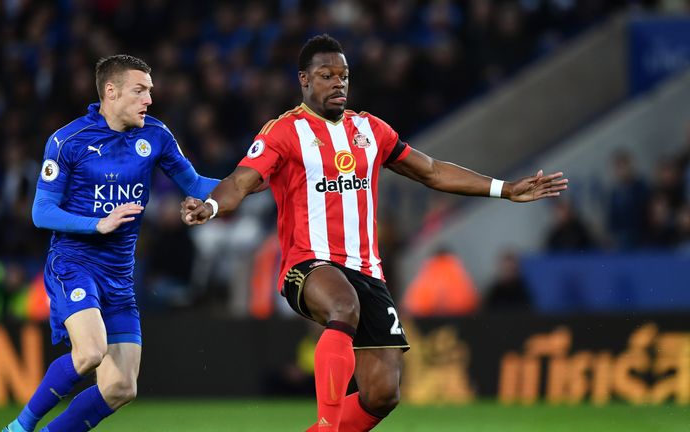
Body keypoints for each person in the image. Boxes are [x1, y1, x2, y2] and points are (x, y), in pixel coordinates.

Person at [181, 34, 568, 431]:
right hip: (308, 264)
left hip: (368, 270)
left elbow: (431, 171)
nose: (338, 83)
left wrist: (504, 189)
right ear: (304, 80)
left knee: (383, 393)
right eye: (326, 75)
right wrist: (210, 206)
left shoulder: (370, 130)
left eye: (343, 75)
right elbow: (240, 182)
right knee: (342, 307)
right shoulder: (284, 132)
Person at [3, 54, 219, 432]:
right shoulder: (68, 140)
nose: (148, 100)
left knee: (121, 387)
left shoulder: (156, 135)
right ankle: (18, 428)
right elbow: (42, 211)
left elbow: (197, 186)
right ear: (111, 91)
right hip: (74, 263)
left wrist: (259, 177)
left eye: (149, 91)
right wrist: (97, 223)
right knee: (89, 352)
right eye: (140, 91)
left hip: (119, 277)